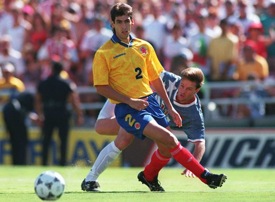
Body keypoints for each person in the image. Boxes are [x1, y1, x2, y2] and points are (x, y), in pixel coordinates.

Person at [81, 2, 226, 192]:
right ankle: (206, 176)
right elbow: (100, 87)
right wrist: (129, 101)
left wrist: (170, 107)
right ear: (112, 24)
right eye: (119, 22)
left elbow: (156, 79)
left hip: (150, 102)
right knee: (169, 138)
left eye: (127, 21)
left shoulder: (144, 47)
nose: (124, 26)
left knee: (158, 146)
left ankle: (146, 176)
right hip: (128, 106)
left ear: (132, 21)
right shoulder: (104, 53)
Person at [88, 67, 207, 191]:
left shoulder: (194, 113)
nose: (182, 91)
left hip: (148, 118)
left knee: (166, 147)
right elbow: (142, 75)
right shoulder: (169, 79)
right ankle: (91, 179)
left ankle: (148, 176)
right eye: (182, 86)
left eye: (189, 89)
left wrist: (193, 166)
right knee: (110, 132)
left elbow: (200, 143)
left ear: (197, 90)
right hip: (132, 99)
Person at [35, 57, 84, 166]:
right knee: (63, 141)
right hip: (62, 112)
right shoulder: (67, 83)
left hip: (48, 113)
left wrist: (40, 114)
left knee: (46, 140)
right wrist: (79, 115)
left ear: (52, 69)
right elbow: (74, 100)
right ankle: (62, 163)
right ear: (62, 70)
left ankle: (44, 163)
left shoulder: (44, 83)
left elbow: (38, 100)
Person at [2, 91, 38, 165]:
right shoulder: (30, 97)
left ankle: (16, 162)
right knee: (21, 141)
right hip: (13, 115)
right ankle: (21, 162)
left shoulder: (24, 97)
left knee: (15, 141)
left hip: (8, 112)